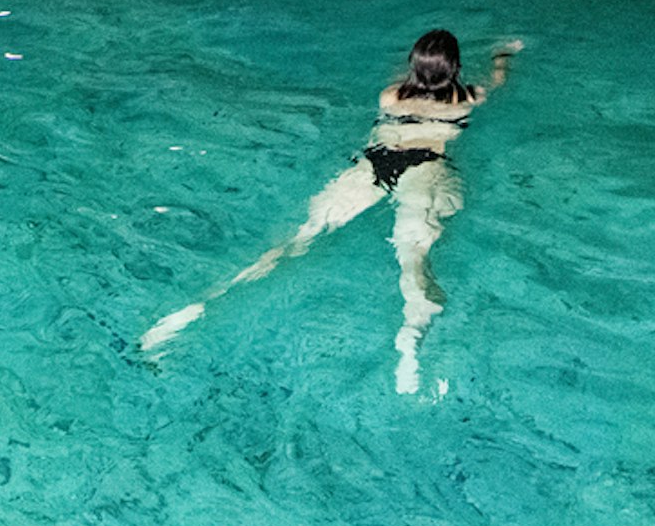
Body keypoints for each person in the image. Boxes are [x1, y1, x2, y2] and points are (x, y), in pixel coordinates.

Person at [140, 29, 526, 393]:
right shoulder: (470, 97)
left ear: (414, 65)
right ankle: (410, 336)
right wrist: (503, 54)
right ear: (454, 69)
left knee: (295, 242)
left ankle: (191, 313)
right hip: (424, 168)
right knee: (413, 259)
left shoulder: (389, 96)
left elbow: (408, 91)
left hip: (375, 163)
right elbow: (499, 81)